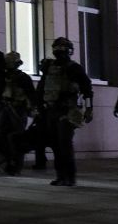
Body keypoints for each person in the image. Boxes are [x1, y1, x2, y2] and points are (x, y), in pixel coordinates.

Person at [36, 37, 92, 187]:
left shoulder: (74, 68)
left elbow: (87, 89)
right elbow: (42, 87)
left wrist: (89, 109)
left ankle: (69, 177)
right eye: (58, 49)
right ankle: (61, 176)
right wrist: (38, 107)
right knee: (56, 145)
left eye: (62, 49)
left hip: (67, 110)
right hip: (51, 110)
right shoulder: (49, 67)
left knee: (64, 144)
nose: (59, 52)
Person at [0, 51, 38, 175]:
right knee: (0, 135)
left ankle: (16, 166)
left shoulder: (23, 78)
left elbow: (32, 95)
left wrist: (32, 110)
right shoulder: (3, 77)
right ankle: (8, 161)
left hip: (18, 109)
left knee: (16, 138)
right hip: (5, 108)